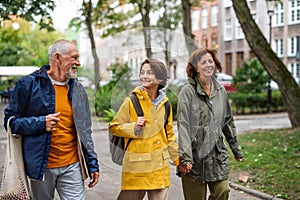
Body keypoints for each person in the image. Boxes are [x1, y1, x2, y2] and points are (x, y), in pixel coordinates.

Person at [4, 39, 100, 200]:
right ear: (58, 57)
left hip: (72, 165)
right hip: (40, 167)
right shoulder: (28, 85)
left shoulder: (78, 89)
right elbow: (10, 122)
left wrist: (92, 163)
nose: (79, 62)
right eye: (74, 57)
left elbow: (85, 130)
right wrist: (41, 123)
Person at [176, 48, 243, 200]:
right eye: (203, 62)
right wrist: (186, 158)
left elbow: (227, 121)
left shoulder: (220, 91)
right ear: (195, 67)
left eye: (210, 61)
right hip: (194, 157)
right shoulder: (187, 92)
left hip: (216, 155)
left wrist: (236, 149)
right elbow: (183, 125)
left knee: (222, 191)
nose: (208, 65)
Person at [109, 58, 179, 200]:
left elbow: (169, 135)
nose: (144, 76)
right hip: (137, 168)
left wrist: (179, 160)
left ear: (160, 79)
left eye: (150, 73)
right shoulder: (131, 101)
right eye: (142, 72)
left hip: (160, 168)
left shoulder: (166, 105)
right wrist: (133, 127)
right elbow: (114, 127)